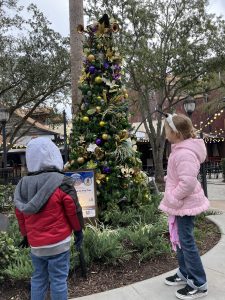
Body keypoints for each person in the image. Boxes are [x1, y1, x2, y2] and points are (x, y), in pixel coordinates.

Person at [13, 137, 84, 300]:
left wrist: (25, 235)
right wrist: (78, 230)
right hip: (59, 243)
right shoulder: (62, 182)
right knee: (58, 280)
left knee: (38, 279)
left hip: (36, 244)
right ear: (54, 155)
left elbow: (20, 212)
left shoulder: (23, 184)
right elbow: (73, 209)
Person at [159, 113, 210, 299]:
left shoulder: (184, 153)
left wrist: (173, 196)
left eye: (166, 130)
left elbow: (187, 183)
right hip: (181, 202)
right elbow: (180, 176)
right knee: (180, 239)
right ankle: (184, 271)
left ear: (176, 133)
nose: (165, 134)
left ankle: (199, 282)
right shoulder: (179, 149)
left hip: (184, 203)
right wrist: (169, 181)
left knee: (186, 241)